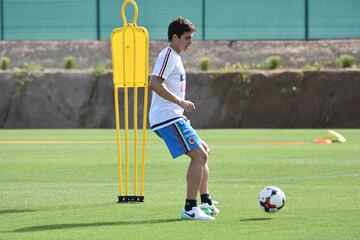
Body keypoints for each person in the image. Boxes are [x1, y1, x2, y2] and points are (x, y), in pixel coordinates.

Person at [148, 17, 219, 221]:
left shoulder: (174, 56)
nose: (190, 42)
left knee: (204, 151)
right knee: (199, 156)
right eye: (187, 38)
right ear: (175, 37)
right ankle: (190, 208)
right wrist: (180, 101)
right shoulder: (168, 55)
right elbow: (154, 83)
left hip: (172, 116)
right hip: (167, 118)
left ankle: (205, 202)